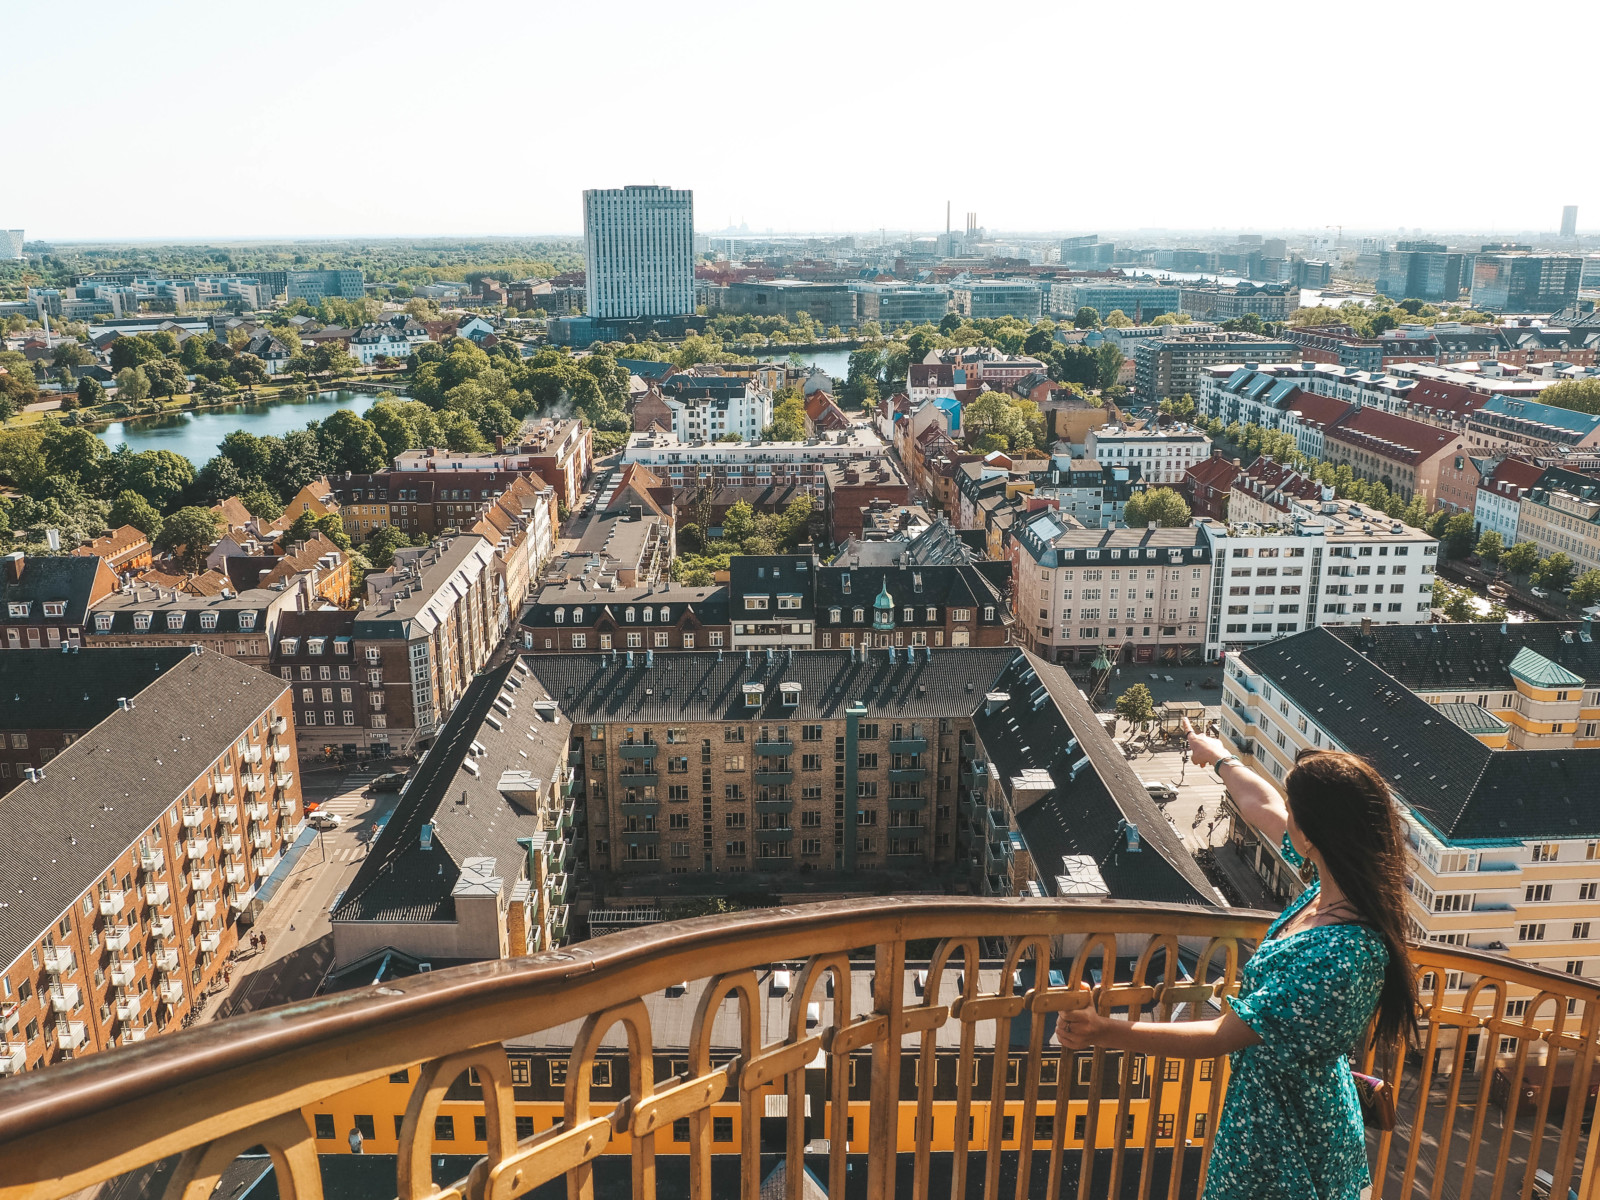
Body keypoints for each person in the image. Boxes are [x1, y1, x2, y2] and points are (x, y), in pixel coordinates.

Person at [1058, 717, 1416, 1200]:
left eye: (1295, 811)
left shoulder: (1339, 953)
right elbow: (1263, 807)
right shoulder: (1334, 889)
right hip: (1274, 1115)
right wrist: (1218, 757)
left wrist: (1104, 1031)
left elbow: (1223, 1035)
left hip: (1288, 1138)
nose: (1285, 814)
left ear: (1315, 835)